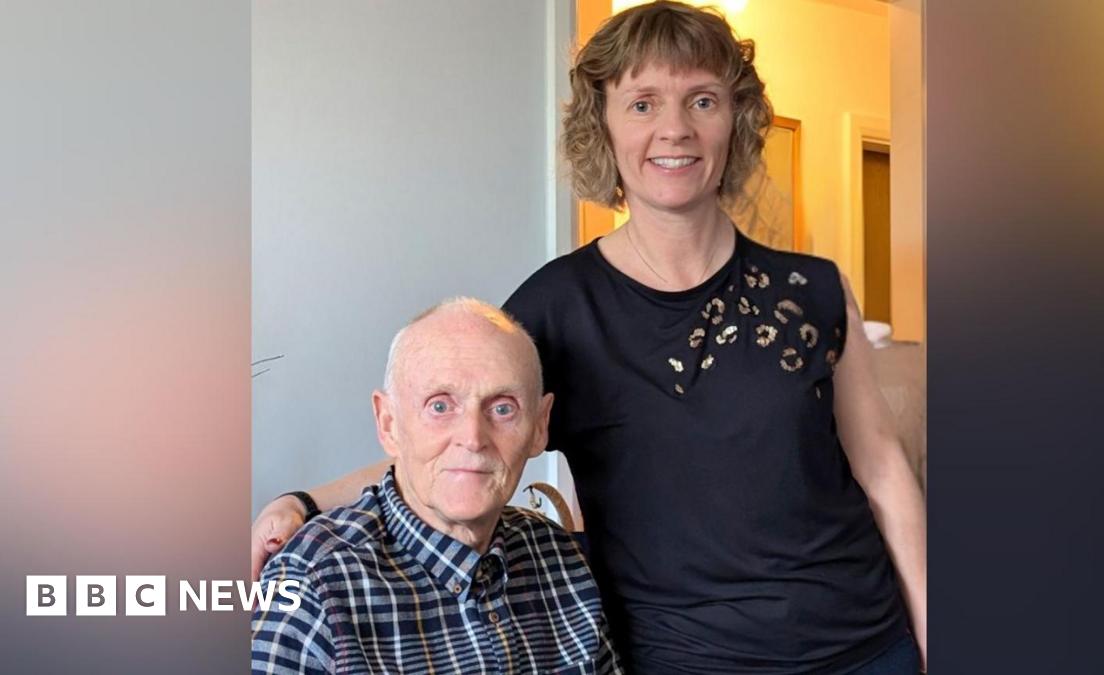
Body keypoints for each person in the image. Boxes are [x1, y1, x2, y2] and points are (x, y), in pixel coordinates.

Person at [253, 2, 927, 672]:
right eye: (642, 104)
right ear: (602, 125)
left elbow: (884, 472)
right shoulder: (556, 306)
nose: (675, 128)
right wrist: (306, 501)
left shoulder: (814, 287)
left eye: (702, 100)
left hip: (869, 645)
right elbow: (459, 436)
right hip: (680, 658)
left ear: (737, 119)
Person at [251, 298, 621, 674]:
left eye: (503, 407)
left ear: (540, 426)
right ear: (389, 423)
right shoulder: (312, 580)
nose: (473, 438)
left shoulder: (561, 558)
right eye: (440, 407)